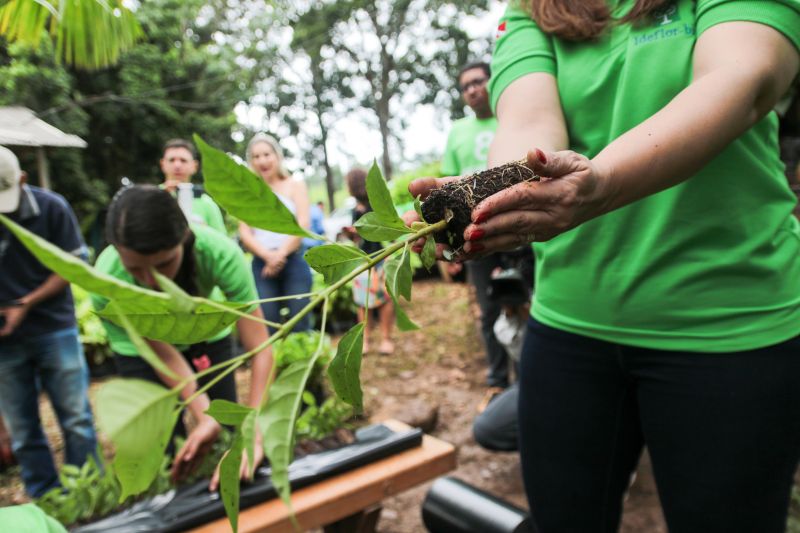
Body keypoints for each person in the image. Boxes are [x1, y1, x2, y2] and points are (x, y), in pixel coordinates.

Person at [410, 2, 800, 532]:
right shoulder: (533, 9)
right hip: (570, 325)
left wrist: (602, 184)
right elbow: (529, 127)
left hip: (730, 324)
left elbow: (741, 78)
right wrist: (485, 197)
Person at [91, 185, 273, 486]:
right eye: (135, 268)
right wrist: (202, 414)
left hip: (207, 335)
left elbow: (261, 347)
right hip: (143, 353)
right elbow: (162, 351)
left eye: (164, 264)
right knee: (161, 441)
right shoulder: (108, 278)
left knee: (229, 427)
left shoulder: (219, 255)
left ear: (184, 238)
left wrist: (252, 433)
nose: (152, 281)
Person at [0, 145, 98, 498]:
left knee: (76, 419)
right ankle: (48, 498)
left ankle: (88, 490)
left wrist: (26, 303)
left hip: (54, 327)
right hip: (5, 342)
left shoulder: (52, 208)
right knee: (23, 429)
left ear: (22, 179)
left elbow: (72, 267)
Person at [442, 61, 509, 402]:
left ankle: (530, 374)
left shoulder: (510, 118)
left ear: (491, 82)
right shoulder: (457, 132)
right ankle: (498, 378)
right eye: (465, 85)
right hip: (475, 234)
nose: (472, 89)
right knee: (488, 308)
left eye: (478, 81)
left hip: (516, 226)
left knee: (523, 298)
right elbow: (449, 187)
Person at [238, 133, 313, 333]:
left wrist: (279, 255)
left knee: (300, 320)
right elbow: (245, 232)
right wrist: (267, 256)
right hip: (262, 264)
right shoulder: (247, 192)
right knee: (267, 322)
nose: (262, 160)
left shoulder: (295, 185)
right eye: (256, 156)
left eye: (266, 154)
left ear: (277, 156)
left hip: (294, 260)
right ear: (251, 161)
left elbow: (303, 224)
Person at [345, 168, 395, 355]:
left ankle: (385, 338)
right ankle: (367, 339)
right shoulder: (354, 211)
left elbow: (384, 232)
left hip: (380, 256)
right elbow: (358, 239)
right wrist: (352, 234)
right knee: (362, 301)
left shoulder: (375, 207)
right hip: (363, 261)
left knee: (383, 299)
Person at [160, 138, 227, 234]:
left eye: (183, 160)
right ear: (162, 164)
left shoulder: (207, 204)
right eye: (172, 160)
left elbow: (223, 243)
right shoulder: (149, 197)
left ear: (194, 166)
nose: (177, 165)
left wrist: (203, 232)